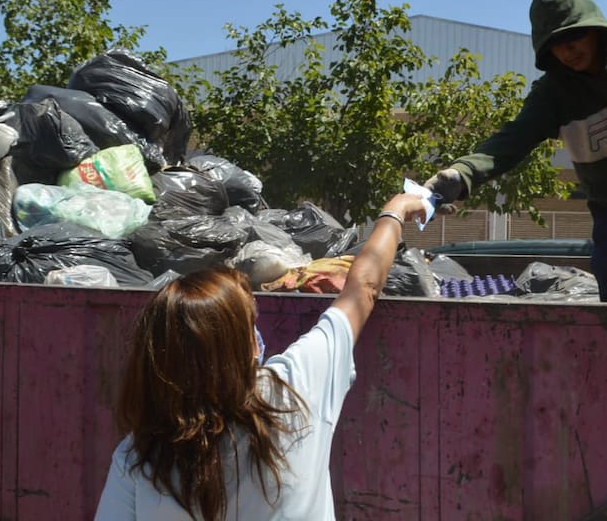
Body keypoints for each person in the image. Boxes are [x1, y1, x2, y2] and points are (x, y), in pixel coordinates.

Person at [93, 192, 430, 521]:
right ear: (245, 346)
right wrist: (396, 210)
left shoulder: (140, 458)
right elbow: (364, 287)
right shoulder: (295, 389)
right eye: (251, 324)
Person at [424, 0, 607, 302]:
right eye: (556, 44)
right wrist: (460, 175)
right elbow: (510, 141)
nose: (568, 50)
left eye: (574, 36)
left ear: (595, 30)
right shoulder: (552, 95)